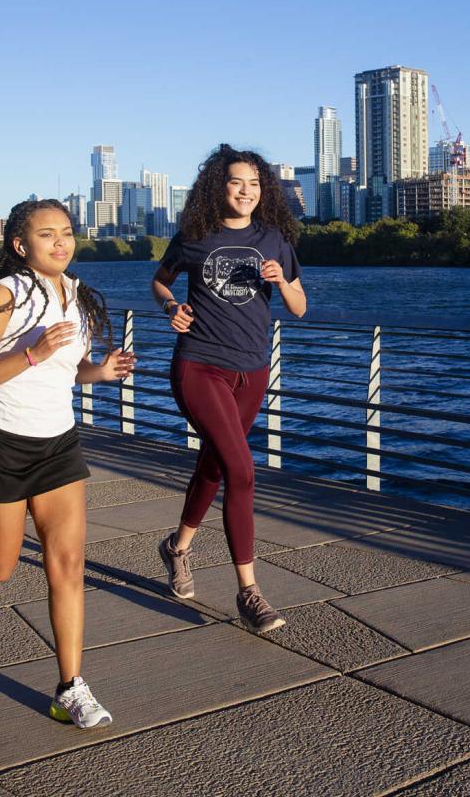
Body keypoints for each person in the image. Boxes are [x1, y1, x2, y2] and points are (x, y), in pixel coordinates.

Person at [0, 198, 135, 729]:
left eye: (66, 232)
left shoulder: (73, 295)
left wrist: (96, 373)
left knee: (68, 566)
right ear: (20, 245)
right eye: (46, 234)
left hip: (57, 444)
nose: (60, 242)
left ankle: (70, 688)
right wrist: (31, 353)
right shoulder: (4, 293)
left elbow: (62, 371)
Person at [151, 144, 306, 633]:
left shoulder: (274, 239)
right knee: (241, 469)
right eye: (237, 182)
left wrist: (282, 283)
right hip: (199, 365)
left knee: (216, 464)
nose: (246, 191)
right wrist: (170, 306)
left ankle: (176, 547)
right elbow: (159, 281)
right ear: (219, 186)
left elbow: (300, 307)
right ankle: (249, 592)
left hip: (252, 371)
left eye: (255, 184)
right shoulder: (195, 236)